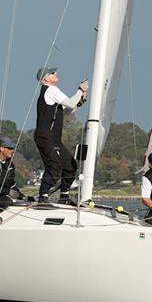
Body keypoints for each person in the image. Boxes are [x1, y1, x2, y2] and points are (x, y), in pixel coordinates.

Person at [34, 67, 87, 203]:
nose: (55, 74)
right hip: (46, 136)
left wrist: (80, 101)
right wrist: (80, 90)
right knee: (54, 165)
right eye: (52, 73)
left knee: (70, 165)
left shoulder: (52, 94)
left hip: (53, 138)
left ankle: (64, 195)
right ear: (45, 78)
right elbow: (70, 103)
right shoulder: (51, 90)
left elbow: (66, 111)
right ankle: (43, 197)